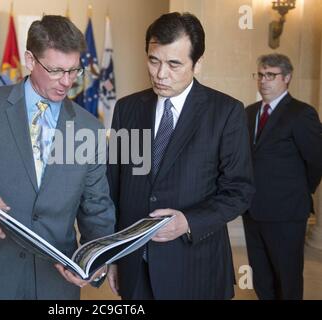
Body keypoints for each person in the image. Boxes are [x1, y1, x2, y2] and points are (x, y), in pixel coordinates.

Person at [0, 15, 115, 300]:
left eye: (73, 71)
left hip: (54, 282)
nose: (66, 82)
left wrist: (96, 260)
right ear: (30, 60)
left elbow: (96, 207)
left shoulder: (89, 127)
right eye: (55, 70)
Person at [106, 12, 255, 300]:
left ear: (198, 64)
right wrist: (113, 255)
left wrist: (188, 222)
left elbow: (240, 191)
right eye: (154, 60)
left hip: (196, 268)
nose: (161, 74)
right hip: (135, 267)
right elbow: (113, 187)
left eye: (174, 64)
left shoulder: (226, 112)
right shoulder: (127, 109)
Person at [244, 53, 322, 300]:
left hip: (287, 212)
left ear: (287, 78)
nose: (263, 81)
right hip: (253, 210)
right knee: (262, 276)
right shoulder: (248, 112)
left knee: (287, 277)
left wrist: (299, 191)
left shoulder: (302, 113)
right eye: (260, 74)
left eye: (271, 75)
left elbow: (316, 161)